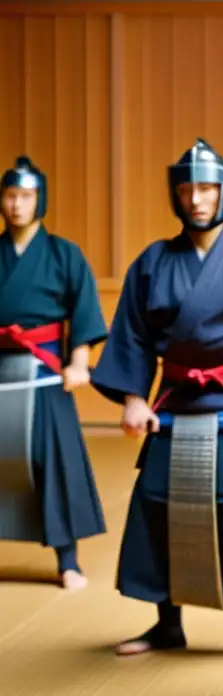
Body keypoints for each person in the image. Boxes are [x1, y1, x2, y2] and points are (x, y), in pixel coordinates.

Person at [90, 139, 223, 668]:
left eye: (207, 187)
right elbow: (133, 337)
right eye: (188, 187)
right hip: (175, 407)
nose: (197, 198)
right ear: (175, 193)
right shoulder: (152, 263)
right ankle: (168, 625)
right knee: (161, 513)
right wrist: (133, 399)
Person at [0, 156, 107, 591]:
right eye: (10, 196)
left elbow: (82, 311)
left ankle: (67, 559)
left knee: (52, 461)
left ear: (38, 201)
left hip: (44, 369)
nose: (16, 205)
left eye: (25, 197)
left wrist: (78, 362)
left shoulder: (64, 254)